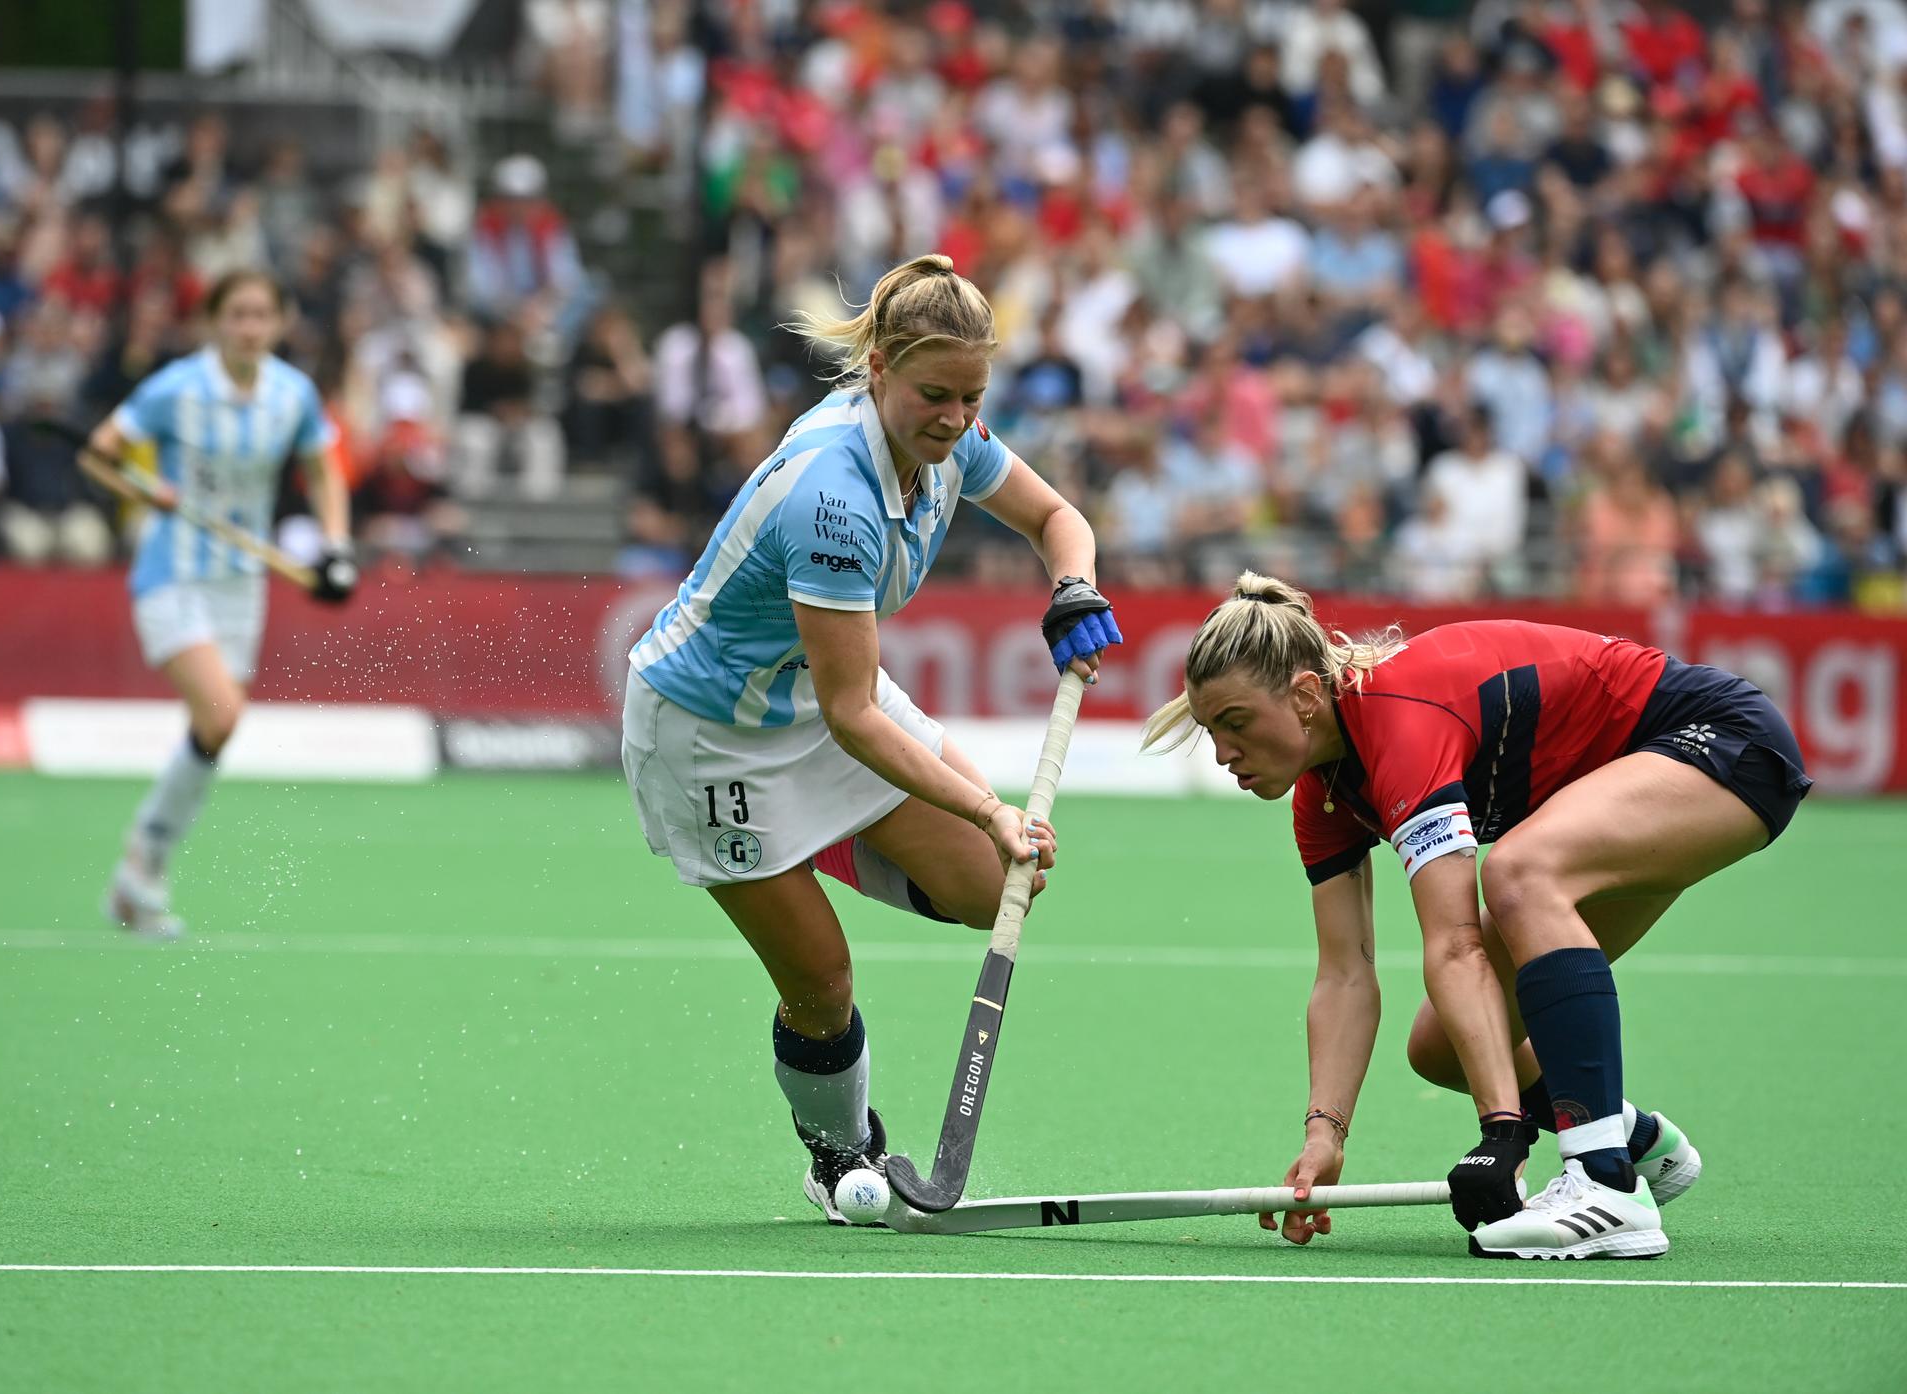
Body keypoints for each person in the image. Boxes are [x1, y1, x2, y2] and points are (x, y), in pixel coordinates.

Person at [621, 254, 1121, 1223]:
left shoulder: (952, 435)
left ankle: (829, 845)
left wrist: (1074, 585)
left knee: (992, 882)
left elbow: (1059, 518)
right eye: (935, 393)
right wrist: (985, 802)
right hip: (710, 733)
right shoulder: (833, 495)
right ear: (881, 366)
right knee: (821, 981)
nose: (955, 417)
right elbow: (856, 712)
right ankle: (838, 1149)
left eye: (972, 396)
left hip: (812, 693)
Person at [1143, 574, 1811, 1259]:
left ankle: (1605, 1181)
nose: (1223, 753)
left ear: (1306, 696)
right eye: (1210, 730)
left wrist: (1504, 1133)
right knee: (1440, 1044)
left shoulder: (1398, 718)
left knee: (1520, 873)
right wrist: (1325, 1136)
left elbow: (1457, 945)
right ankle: (1635, 1141)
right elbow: (1346, 975)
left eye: (1236, 723)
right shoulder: (1323, 797)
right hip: (1634, 785)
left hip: (1722, 746)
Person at [82, 269, 357, 937]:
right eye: (237, 314)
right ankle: (140, 863)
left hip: (243, 582)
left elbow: (323, 469)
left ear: (279, 322)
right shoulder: (177, 387)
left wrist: (336, 544)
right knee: (221, 708)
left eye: (262, 314)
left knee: (218, 728)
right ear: (214, 321)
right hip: (172, 573)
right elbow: (97, 455)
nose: (249, 327)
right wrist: (145, 488)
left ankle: (140, 870)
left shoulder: (291, 394)